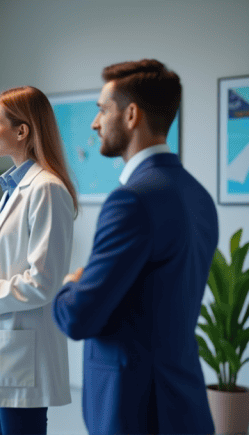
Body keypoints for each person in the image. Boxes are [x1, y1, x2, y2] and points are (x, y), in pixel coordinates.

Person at [52, 59, 218, 434]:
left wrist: (69, 282)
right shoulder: (198, 196)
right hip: (183, 403)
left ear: (130, 115)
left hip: (133, 409)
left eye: (101, 110)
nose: (95, 123)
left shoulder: (131, 201)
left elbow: (79, 316)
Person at [0, 86, 78, 435]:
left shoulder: (46, 189)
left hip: (23, 352)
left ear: (22, 131)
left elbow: (43, 281)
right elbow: (4, 266)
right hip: (5, 347)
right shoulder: (14, 189)